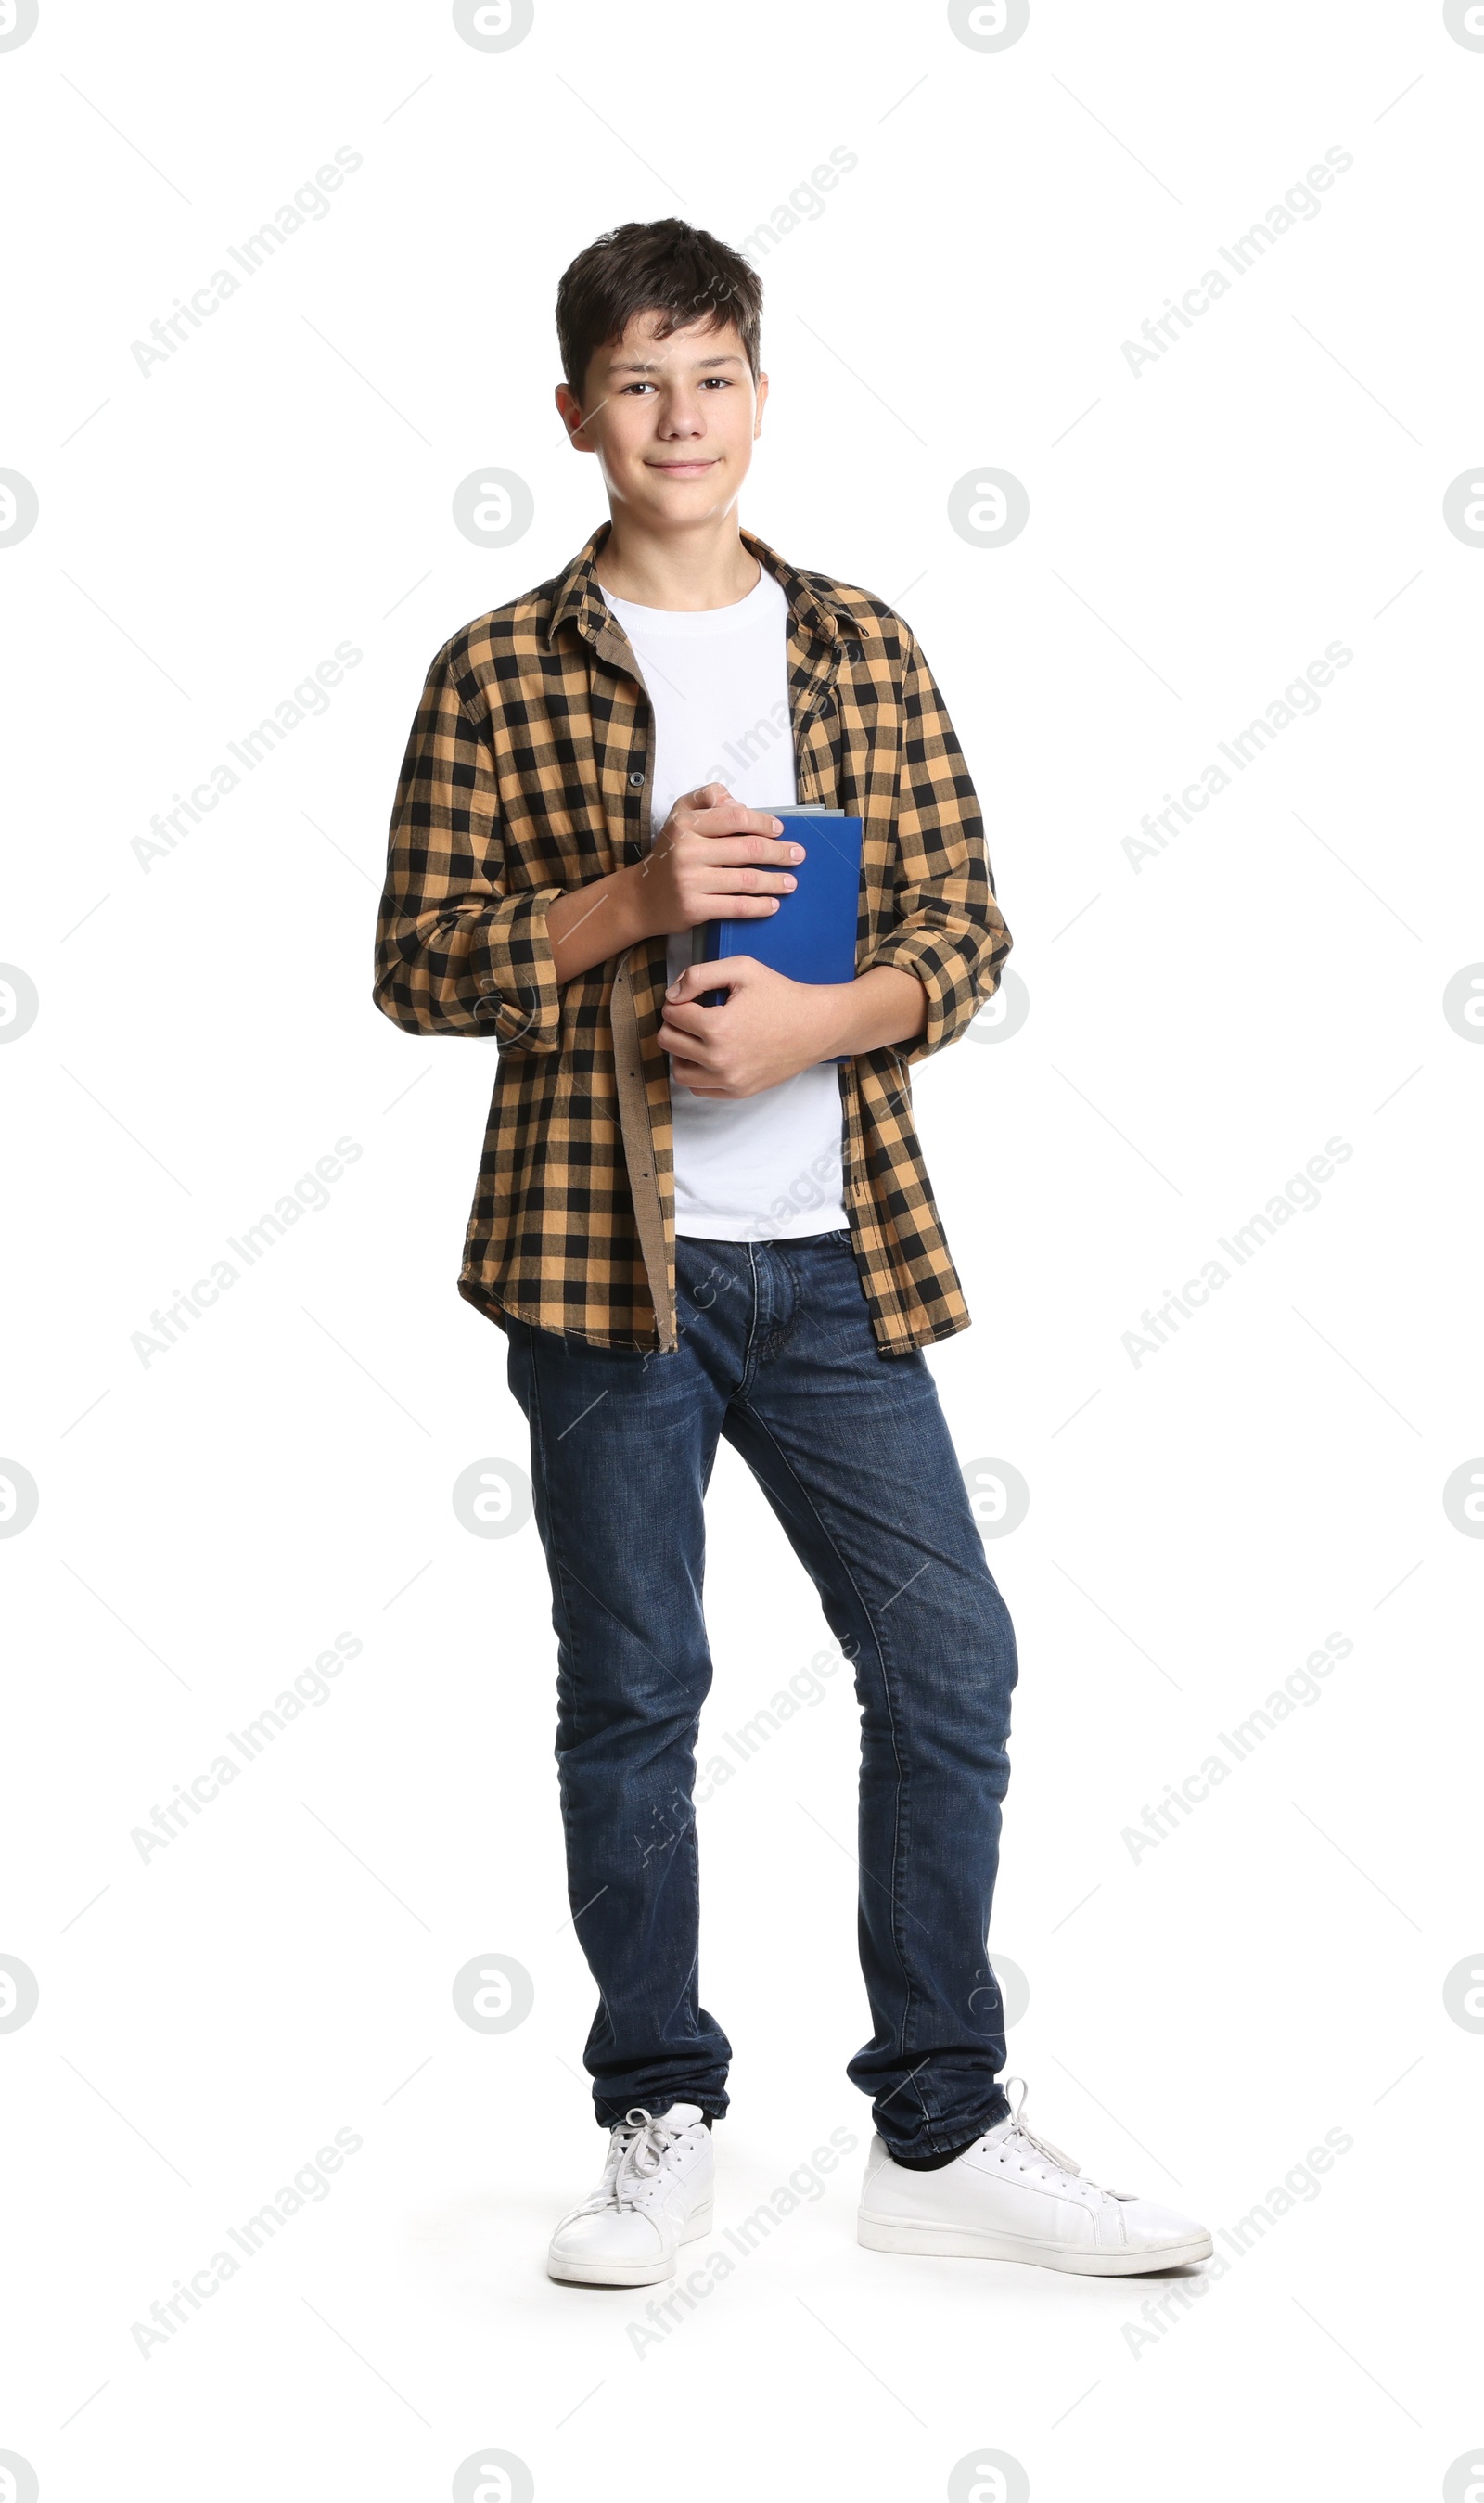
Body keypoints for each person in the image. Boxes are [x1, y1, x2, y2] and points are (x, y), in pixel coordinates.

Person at [373, 217, 1211, 2287]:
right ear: (573, 414)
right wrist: (629, 898)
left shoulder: (855, 642)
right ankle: (654, 2109)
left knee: (946, 1662)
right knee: (637, 1687)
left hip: (836, 1259)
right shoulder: (496, 664)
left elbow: (963, 927)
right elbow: (417, 963)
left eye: (715, 374)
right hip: (602, 1270)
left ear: (761, 393)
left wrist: (813, 1019)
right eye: (638, 382)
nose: (681, 417)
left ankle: (935, 2126)